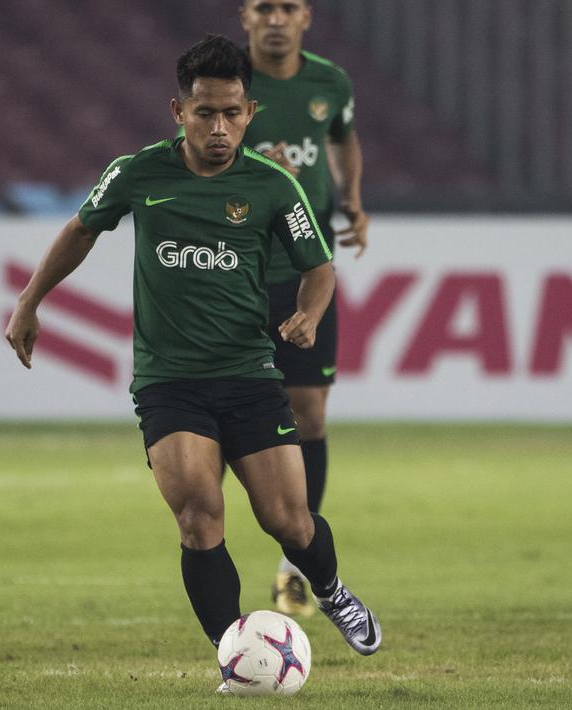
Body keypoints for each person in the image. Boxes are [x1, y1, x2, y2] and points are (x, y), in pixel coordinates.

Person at [5, 34, 380, 693]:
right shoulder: (138, 173)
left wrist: (308, 314)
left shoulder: (272, 186)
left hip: (249, 375)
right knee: (198, 513)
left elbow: (318, 269)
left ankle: (329, 587)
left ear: (250, 113)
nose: (218, 127)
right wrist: (30, 302)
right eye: (204, 112)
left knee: (287, 520)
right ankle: (235, 652)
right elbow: (80, 229)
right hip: (168, 382)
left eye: (231, 113)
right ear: (178, 110)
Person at [240, 0, 369, 617]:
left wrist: (352, 201)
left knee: (310, 413)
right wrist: (257, 171)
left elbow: (344, 141)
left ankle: (296, 561)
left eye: (286, 7)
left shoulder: (330, 82)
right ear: (245, 16)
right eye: (263, 6)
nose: (275, 18)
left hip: (305, 270)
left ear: (305, 17)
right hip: (233, 270)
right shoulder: (227, 82)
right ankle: (205, 540)